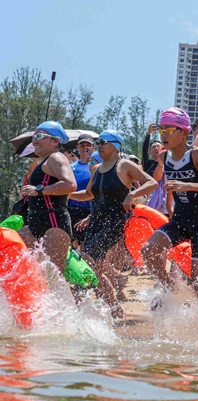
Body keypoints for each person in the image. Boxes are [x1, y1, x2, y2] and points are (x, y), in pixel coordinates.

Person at [141, 108, 198, 346]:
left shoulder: (196, 154)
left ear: (184, 132)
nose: (164, 135)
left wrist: (187, 186)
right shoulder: (164, 157)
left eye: (170, 130)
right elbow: (163, 183)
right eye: (161, 130)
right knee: (148, 250)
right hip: (178, 220)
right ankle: (169, 286)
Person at [69, 130, 157, 317]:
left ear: (115, 145)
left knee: (89, 261)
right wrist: (66, 194)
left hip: (115, 222)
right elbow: (89, 194)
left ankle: (85, 302)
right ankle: (115, 309)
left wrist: (132, 194)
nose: (99, 145)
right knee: (95, 268)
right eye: (98, 142)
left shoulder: (124, 165)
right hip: (96, 222)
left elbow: (151, 183)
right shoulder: (96, 169)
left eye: (103, 142)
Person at [19, 121, 77, 274]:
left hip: (54, 223)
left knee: (52, 277)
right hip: (34, 221)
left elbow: (70, 184)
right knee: (25, 271)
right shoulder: (41, 162)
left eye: (39, 136)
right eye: (33, 137)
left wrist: (39, 191)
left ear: (55, 141)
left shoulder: (56, 157)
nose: (34, 141)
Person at [67, 134, 96, 244]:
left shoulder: (98, 166)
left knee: (87, 244)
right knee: (72, 242)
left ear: (93, 147)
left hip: (91, 209)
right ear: (77, 147)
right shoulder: (71, 167)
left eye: (88, 145)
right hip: (73, 208)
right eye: (82, 145)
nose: (85, 148)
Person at [142, 123, 169, 215]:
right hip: (150, 198)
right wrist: (148, 134)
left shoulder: (169, 164)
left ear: (163, 149)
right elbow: (144, 151)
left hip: (165, 200)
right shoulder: (148, 164)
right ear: (150, 151)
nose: (156, 148)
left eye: (158, 146)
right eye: (153, 147)